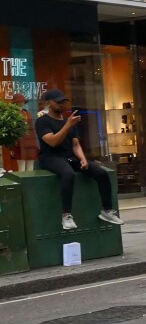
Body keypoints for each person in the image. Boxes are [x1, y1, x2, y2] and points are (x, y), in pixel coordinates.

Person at [35, 89, 123, 230]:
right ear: (48, 103)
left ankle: (107, 211)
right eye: (58, 102)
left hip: (70, 156)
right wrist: (68, 125)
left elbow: (75, 144)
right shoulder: (42, 122)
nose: (62, 105)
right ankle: (66, 215)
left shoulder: (68, 121)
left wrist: (83, 159)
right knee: (68, 174)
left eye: (64, 102)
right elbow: (52, 142)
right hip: (51, 157)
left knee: (102, 173)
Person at [7, 92, 38, 172]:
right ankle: (23, 184)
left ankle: (30, 183)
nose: (22, 102)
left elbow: (31, 128)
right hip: (19, 142)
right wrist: (11, 147)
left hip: (30, 141)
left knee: (30, 166)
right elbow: (11, 131)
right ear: (15, 102)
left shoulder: (26, 112)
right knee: (21, 166)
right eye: (20, 101)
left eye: (23, 101)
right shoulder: (12, 114)